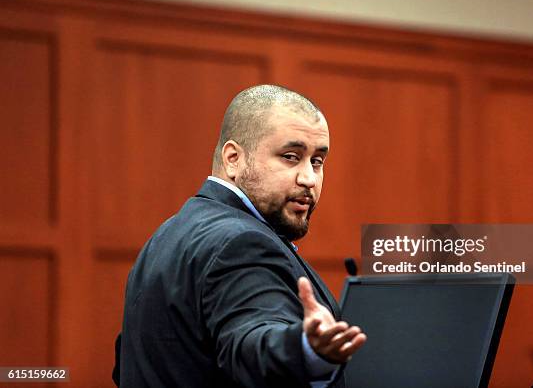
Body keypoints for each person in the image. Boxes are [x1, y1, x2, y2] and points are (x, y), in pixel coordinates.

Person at [114, 85, 366, 387]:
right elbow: (251, 339)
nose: (308, 179)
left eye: (316, 161)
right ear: (233, 159)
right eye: (290, 156)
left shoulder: (166, 235)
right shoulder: (241, 243)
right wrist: (304, 348)